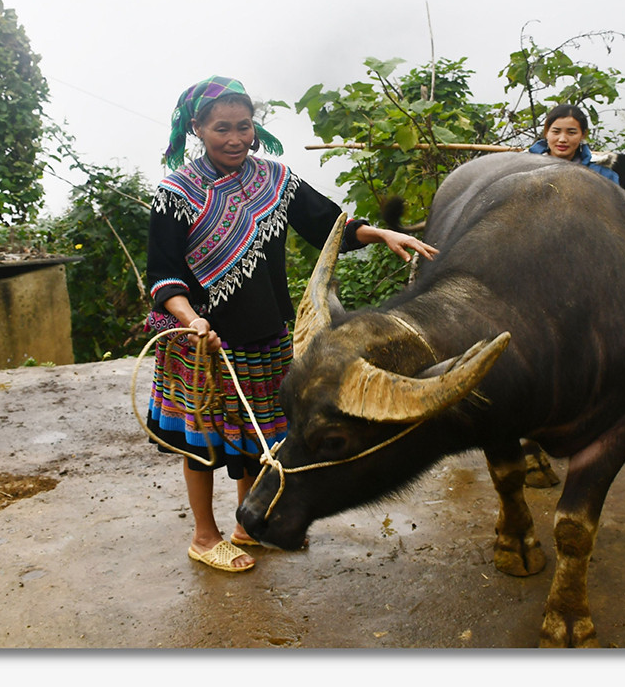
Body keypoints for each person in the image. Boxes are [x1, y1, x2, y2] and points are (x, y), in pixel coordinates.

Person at [145, 75, 437, 572]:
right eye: (221, 128)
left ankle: (247, 525)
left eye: (243, 126)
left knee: (259, 436)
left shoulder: (275, 180)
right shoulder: (176, 193)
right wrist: (193, 320)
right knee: (204, 441)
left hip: (265, 334)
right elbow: (164, 275)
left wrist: (381, 233)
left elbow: (329, 225)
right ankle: (204, 536)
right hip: (203, 339)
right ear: (197, 128)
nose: (235, 138)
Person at [527, 104, 621, 184]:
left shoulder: (601, 174)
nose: (562, 139)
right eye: (556, 132)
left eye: (571, 133)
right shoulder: (526, 166)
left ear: (583, 135)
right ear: (546, 132)